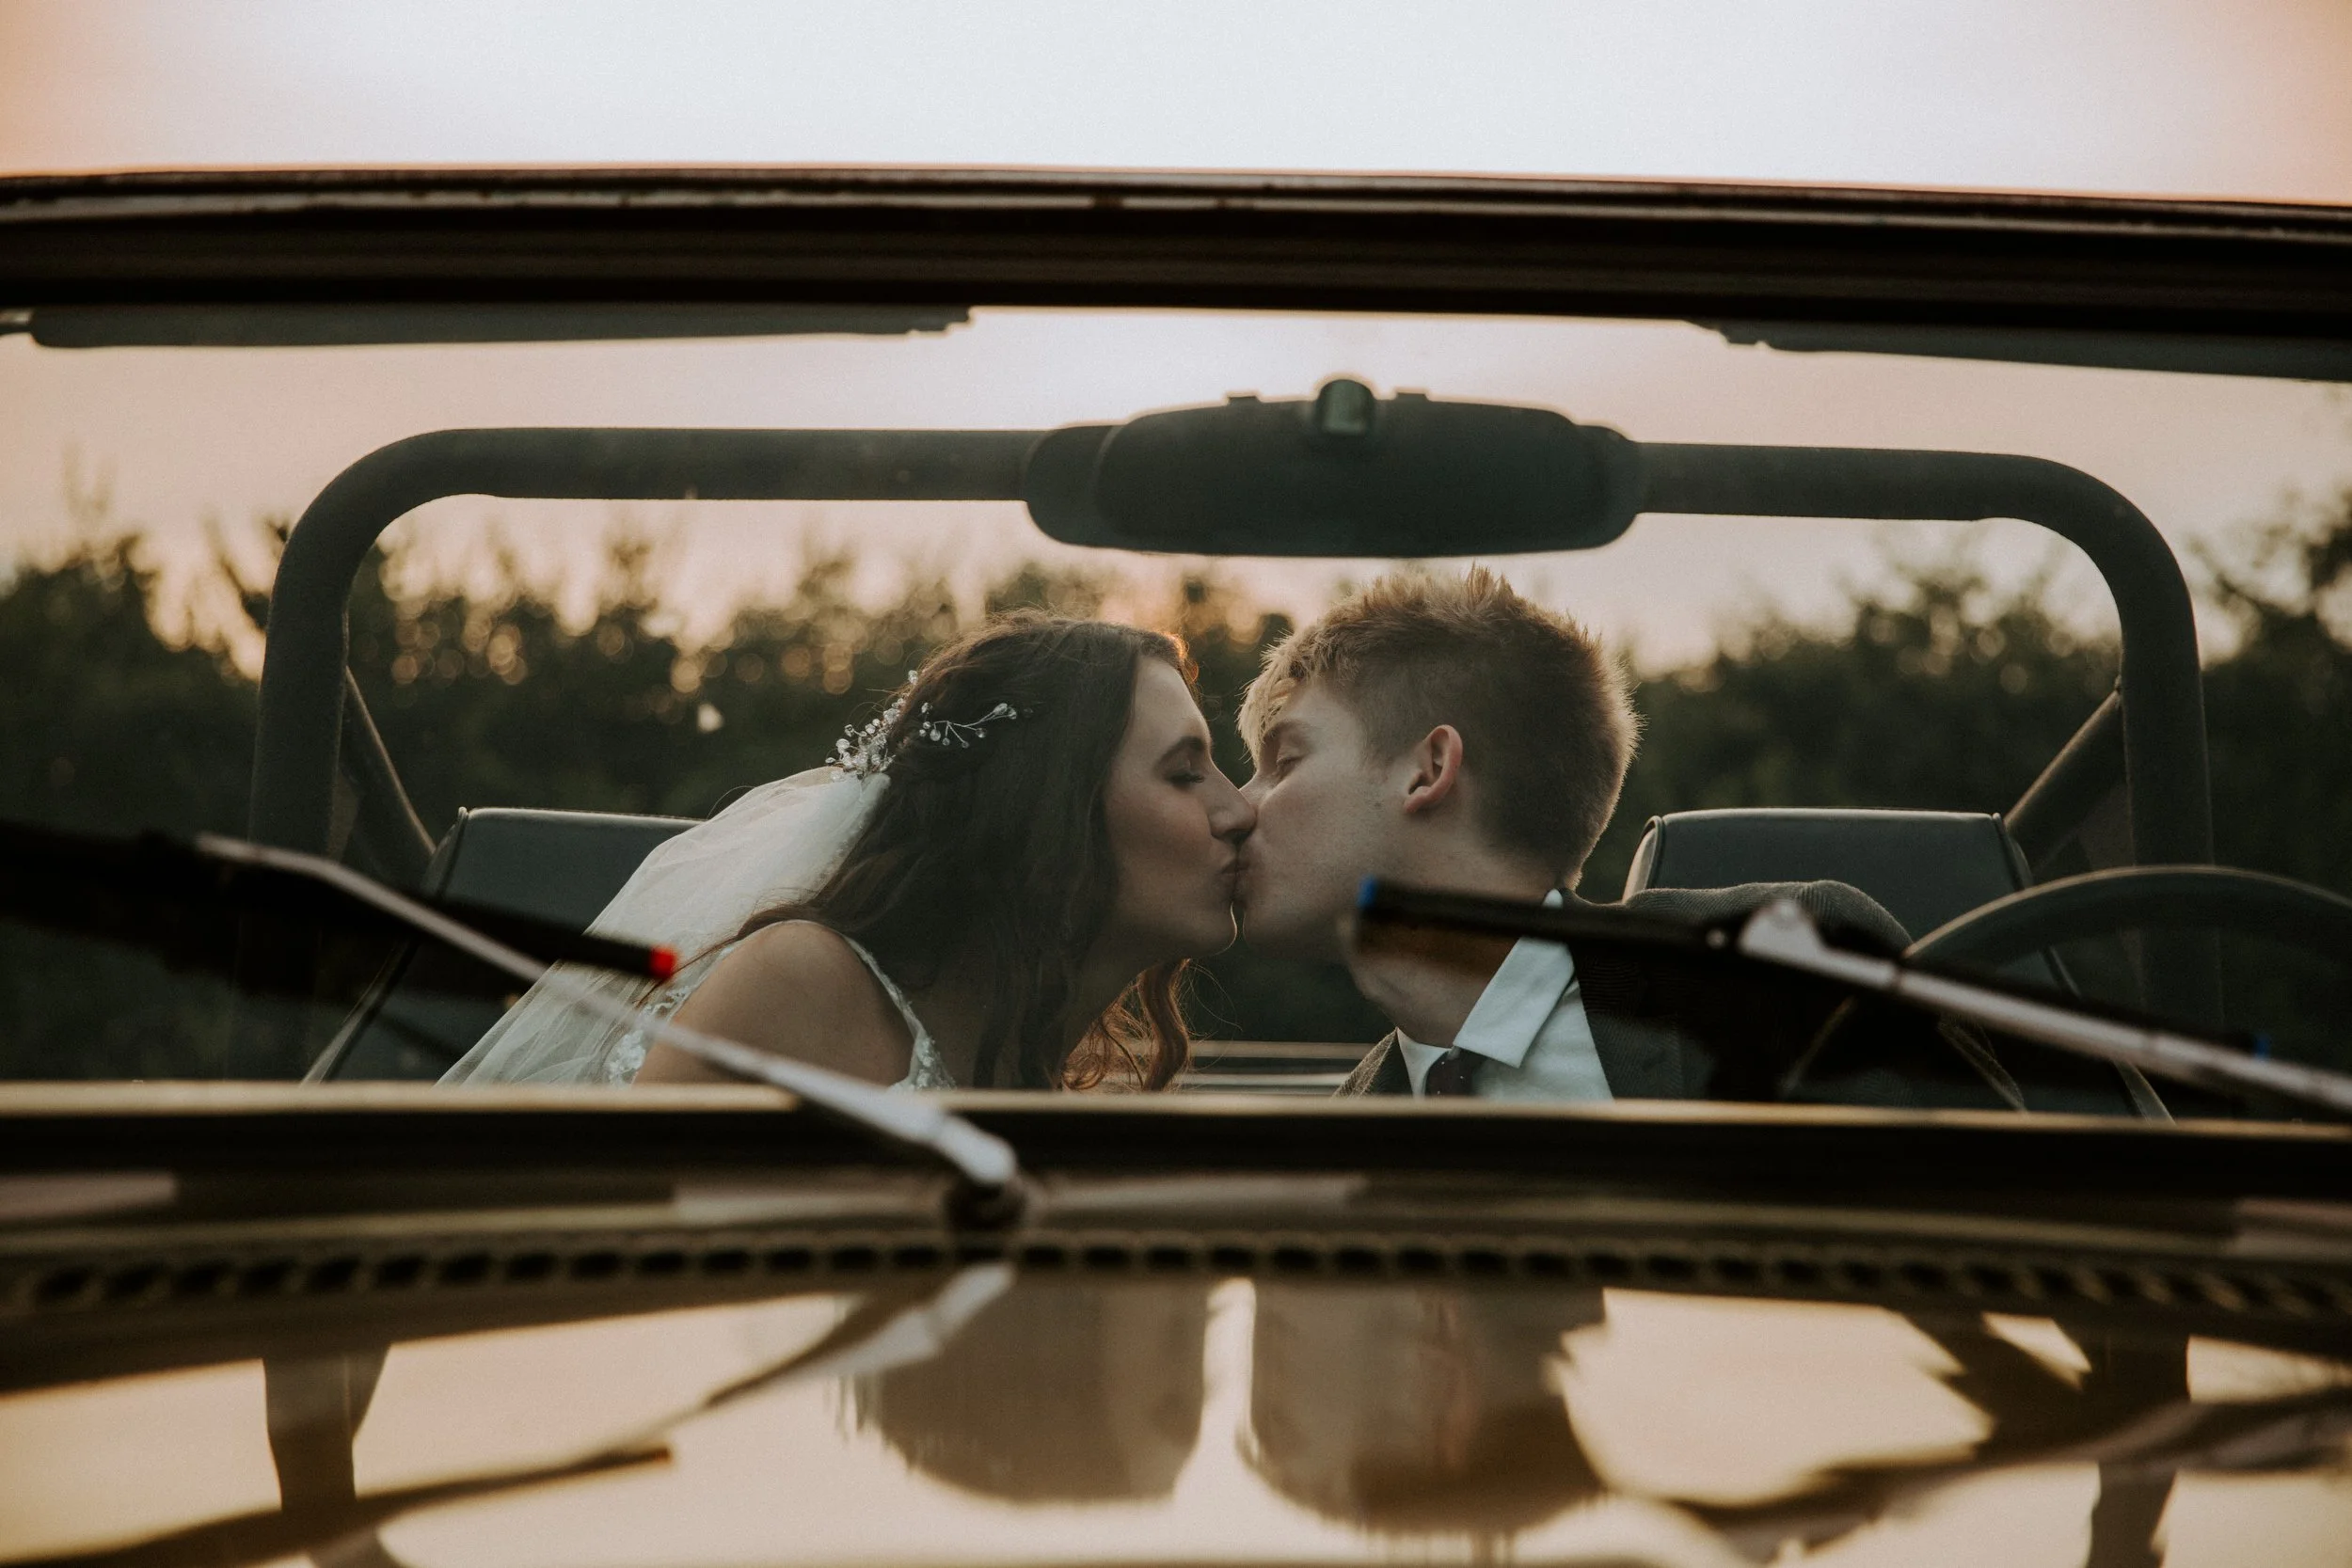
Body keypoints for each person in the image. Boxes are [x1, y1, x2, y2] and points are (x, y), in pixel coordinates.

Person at [443, 614, 1255, 1091]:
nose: (1238, 807)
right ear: (1045, 816)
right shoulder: (806, 985)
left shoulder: (1026, 1053)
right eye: (1185, 772)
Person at [1231, 567, 1912, 1101]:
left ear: (1428, 770)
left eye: (1284, 762)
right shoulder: (1329, 1140)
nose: (1238, 809)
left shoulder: (1785, 979)